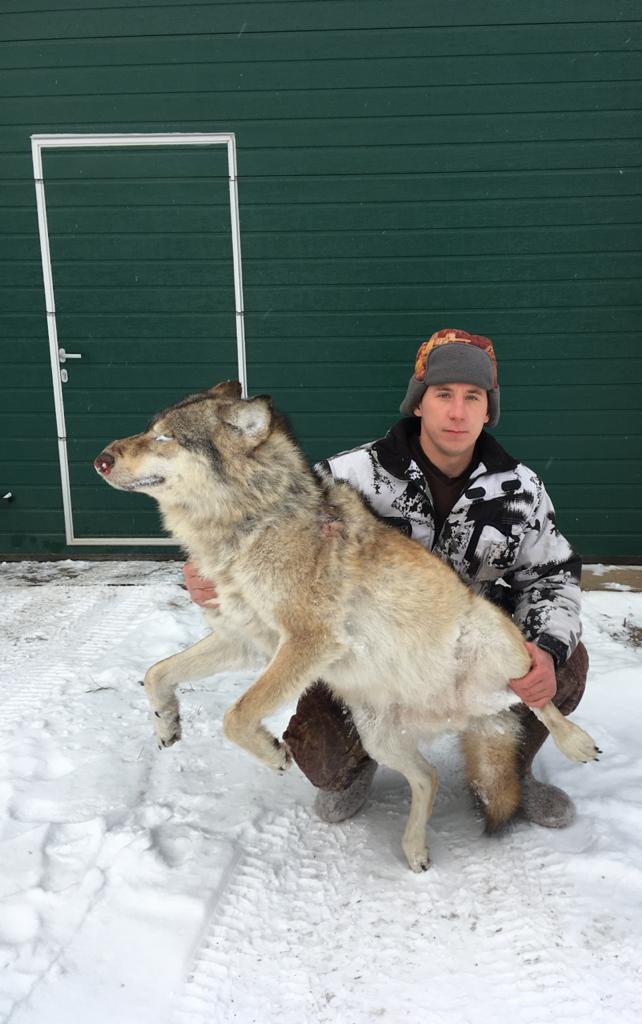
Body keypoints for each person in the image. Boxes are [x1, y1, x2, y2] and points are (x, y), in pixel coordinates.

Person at [184, 328, 588, 829]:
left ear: (488, 409)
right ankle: (357, 763)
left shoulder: (520, 488)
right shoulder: (347, 475)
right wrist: (210, 574)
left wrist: (546, 648)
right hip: (366, 646)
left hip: (462, 642)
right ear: (419, 404)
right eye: (443, 395)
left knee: (564, 667)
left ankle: (513, 771)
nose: (457, 412)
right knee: (322, 760)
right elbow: (257, 524)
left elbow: (552, 575)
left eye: (473, 398)